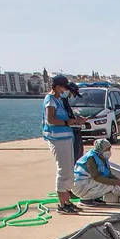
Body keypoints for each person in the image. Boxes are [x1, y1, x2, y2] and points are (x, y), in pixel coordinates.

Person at [42, 75, 82, 214]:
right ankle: (62, 204)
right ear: (58, 87)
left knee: (69, 171)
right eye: (63, 87)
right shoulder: (50, 100)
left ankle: (67, 201)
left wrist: (75, 121)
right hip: (57, 139)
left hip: (66, 137)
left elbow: (64, 118)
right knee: (63, 170)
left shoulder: (58, 100)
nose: (65, 90)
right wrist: (67, 123)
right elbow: (50, 119)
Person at [71, 138, 120, 204]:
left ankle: (93, 198)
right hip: (80, 184)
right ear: (101, 149)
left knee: (113, 184)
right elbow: (96, 177)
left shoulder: (103, 158)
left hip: (88, 182)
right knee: (110, 186)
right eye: (107, 149)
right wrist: (115, 182)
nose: (109, 151)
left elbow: (108, 173)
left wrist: (118, 180)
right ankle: (85, 199)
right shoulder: (90, 158)